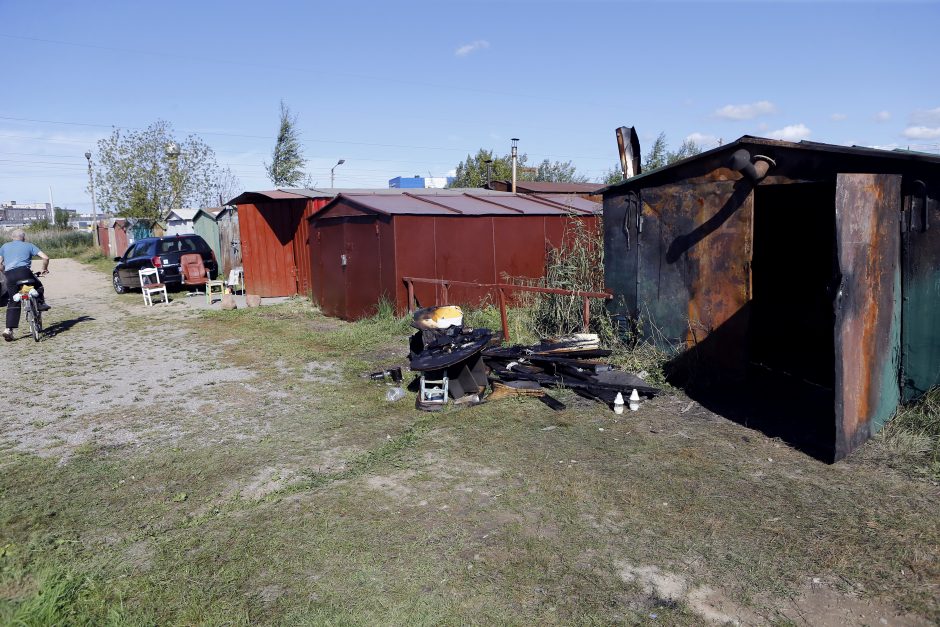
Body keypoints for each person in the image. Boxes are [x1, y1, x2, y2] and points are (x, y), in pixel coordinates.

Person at [0, 229, 50, 341]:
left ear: (12, 237)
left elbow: (0, 264)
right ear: (24, 237)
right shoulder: (29, 245)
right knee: (38, 286)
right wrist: (44, 269)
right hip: (25, 273)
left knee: (13, 300)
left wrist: (5, 272)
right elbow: (45, 257)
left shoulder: (4, 246)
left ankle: (8, 329)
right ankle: (41, 304)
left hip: (10, 275)